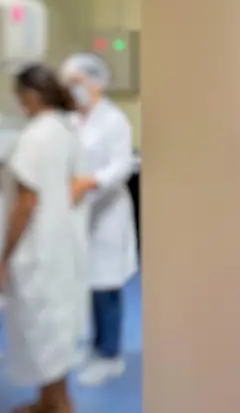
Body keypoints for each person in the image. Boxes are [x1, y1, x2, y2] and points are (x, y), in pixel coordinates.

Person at [0, 63, 85, 413]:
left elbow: (26, 203)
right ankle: (47, 402)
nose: (19, 105)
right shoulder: (64, 129)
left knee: (42, 331)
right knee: (53, 331)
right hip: (60, 244)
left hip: (37, 248)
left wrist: (2, 260)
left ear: (31, 96)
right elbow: (73, 184)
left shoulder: (34, 137)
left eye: (19, 97)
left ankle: (59, 405)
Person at [61, 53, 138, 386]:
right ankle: (95, 346)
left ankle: (111, 356)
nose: (71, 89)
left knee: (107, 286)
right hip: (82, 213)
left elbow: (121, 165)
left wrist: (91, 182)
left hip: (107, 214)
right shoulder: (73, 119)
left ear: (95, 82)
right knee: (90, 284)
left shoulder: (114, 120)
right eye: (68, 83)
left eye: (76, 82)